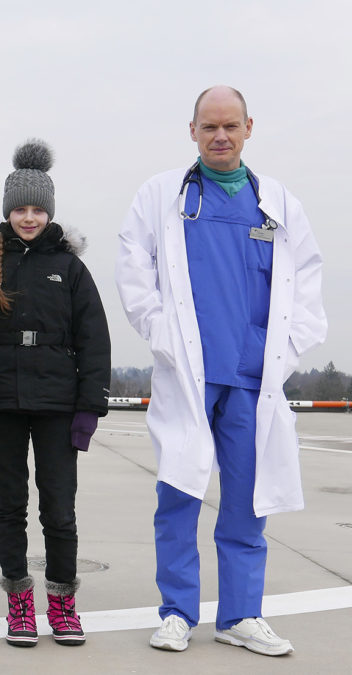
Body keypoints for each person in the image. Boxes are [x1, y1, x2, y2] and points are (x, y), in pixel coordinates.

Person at [116, 85, 326, 656]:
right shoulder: (163, 196)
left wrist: (286, 352)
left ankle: (240, 615)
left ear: (249, 127)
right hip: (189, 374)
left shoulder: (278, 203)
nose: (220, 136)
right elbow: (133, 268)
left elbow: (306, 285)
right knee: (179, 493)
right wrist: (160, 332)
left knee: (247, 501)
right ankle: (178, 612)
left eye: (230, 126)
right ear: (192, 130)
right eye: (209, 126)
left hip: (252, 380)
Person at [0, 140, 111, 648]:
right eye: (19, 209)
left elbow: (94, 341)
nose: (28, 217)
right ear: (7, 211)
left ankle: (62, 602)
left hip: (57, 406)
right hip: (2, 404)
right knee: (10, 506)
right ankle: (19, 601)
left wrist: (88, 410)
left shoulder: (69, 269)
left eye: (37, 209)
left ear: (50, 212)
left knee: (59, 509)